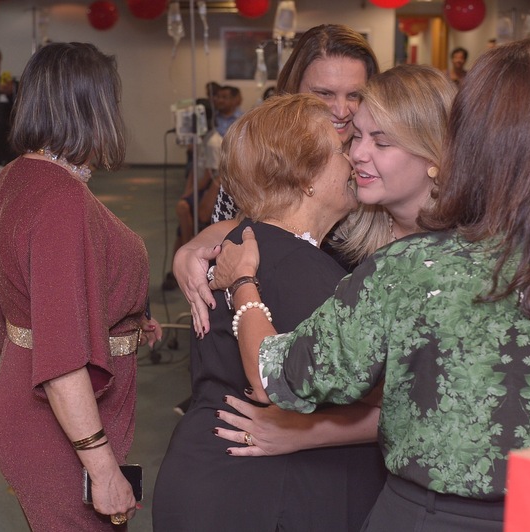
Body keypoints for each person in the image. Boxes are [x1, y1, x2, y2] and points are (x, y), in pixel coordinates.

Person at [215, 37, 530, 531]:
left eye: (381, 141)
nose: (358, 154)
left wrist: (243, 283)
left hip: (431, 515)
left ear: (472, 143)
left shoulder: (414, 268)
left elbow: (277, 374)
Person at [153, 93, 385, 531]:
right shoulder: (301, 268)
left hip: (211, 478)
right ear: (306, 178)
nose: (354, 159)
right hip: (260, 495)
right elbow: (388, 395)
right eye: (341, 150)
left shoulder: (239, 246)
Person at [212, 64, 453, 458]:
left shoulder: (463, 253)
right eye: (355, 137)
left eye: (381, 142)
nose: (357, 154)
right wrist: (197, 249)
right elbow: (274, 216)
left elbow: (429, 400)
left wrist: (307, 432)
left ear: (433, 153)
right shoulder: (347, 228)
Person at [0, 42, 162, 531]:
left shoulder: (17, 176)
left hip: (27, 401)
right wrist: (104, 471)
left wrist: (125, 317)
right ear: (91, 107)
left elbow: (35, 288)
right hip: (54, 424)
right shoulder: (61, 200)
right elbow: (61, 362)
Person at [210, 23, 379, 235]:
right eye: (324, 93)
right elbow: (227, 234)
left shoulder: (379, 165)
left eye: (355, 95)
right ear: (294, 90)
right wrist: (205, 242)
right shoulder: (257, 161)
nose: (342, 110)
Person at [162, 98, 221, 292]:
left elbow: (212, 176)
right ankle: (178, 264)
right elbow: (194, 172)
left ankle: (188, 249)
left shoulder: (213, 143)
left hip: (209, 190)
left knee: (183, 209)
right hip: (199, 187)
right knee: (182, 220)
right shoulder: (200, 141)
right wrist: (187, 192)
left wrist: (192, 195)